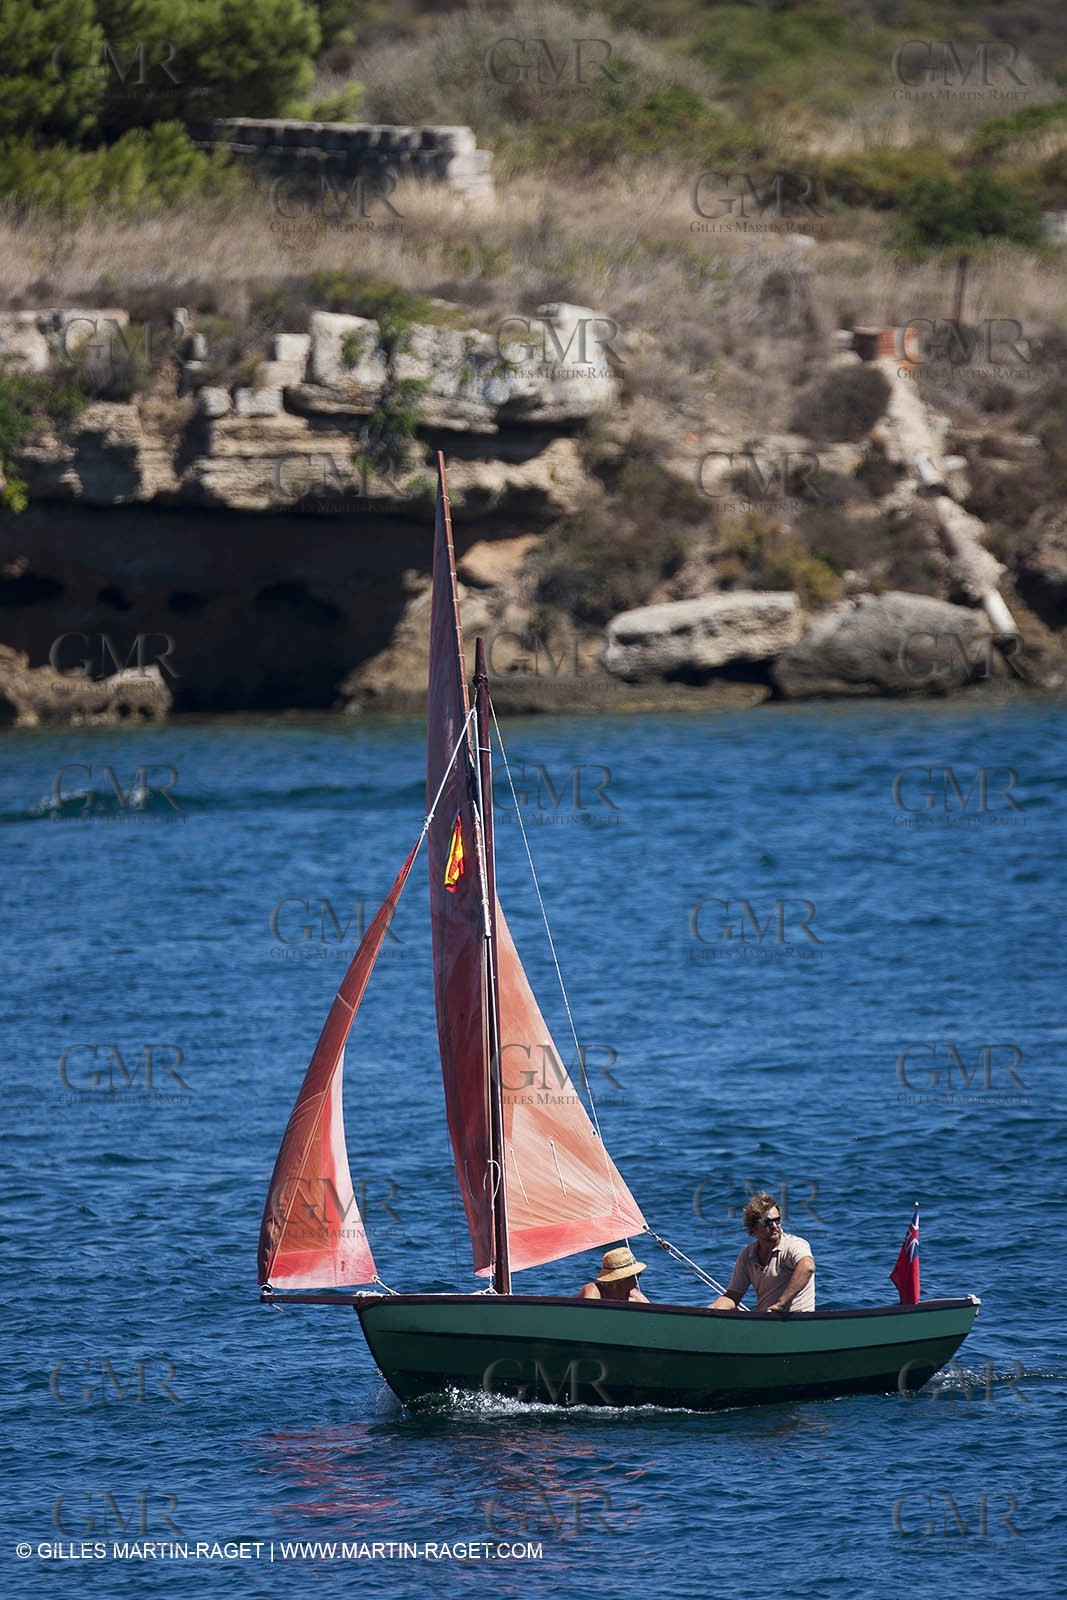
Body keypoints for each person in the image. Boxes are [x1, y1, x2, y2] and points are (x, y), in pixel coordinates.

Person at [709, 1192, 815, 1314]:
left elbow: (808, 1267)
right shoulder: (747, 1255)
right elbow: (733, 1296)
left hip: (797, 1321)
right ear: (753, 1227)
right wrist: (710, 1310)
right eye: (767, 1222)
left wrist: (781, 1303)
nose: (775, 1226)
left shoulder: (794, 1245)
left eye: (778, 1220)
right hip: (766, 1322)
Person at [579, 1246, 649, 1302]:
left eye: (638, 1274)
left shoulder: (637, 1298)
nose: (638, 1278)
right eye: (635, 1275)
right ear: (620, 1279)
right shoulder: (593, 1291)